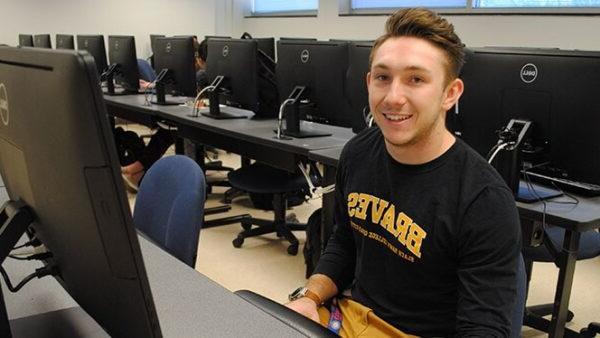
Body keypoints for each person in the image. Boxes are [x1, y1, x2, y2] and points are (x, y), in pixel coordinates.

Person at [286, 8, 521, 337]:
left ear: (450, 94)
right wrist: (309, 298)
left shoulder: (484, 201)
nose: (394, 97)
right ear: (369, 82)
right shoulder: (358, 153)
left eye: (416, 79)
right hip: (352, 319)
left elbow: (482, 329)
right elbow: (345, 242)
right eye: (383, 77)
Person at [121, 37, 208, 191]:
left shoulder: (203, 76)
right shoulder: (199, 75)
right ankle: (139, 169)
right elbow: (184, 90)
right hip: (197, 118)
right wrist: (154, 85)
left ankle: (138, 169)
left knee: (172, 129)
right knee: (169, 129)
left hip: (208, 126)